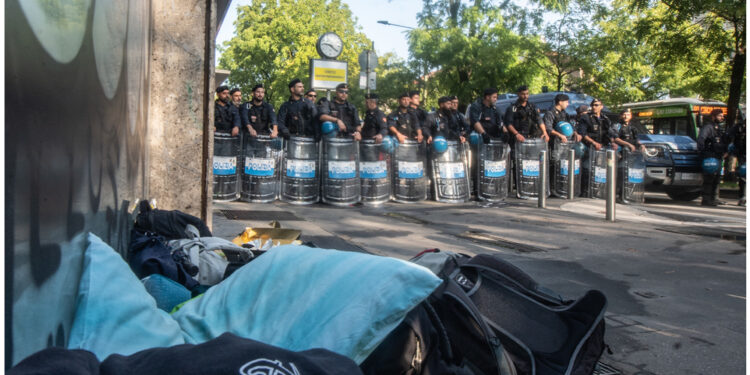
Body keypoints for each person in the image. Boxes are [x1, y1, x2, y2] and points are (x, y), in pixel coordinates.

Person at [697, 109, 729, 206]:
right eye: (719, 116)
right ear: (713, 116)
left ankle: (714, 198)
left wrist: (726, 151)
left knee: (717, 178)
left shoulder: (719, 128)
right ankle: (706, 199)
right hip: (710, 156)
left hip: (718, 156)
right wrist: (703, 153)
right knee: (709, 178)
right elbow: (701, 139)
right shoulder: (708, 127)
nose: (721, 118)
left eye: (722, 116)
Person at [727, 113, 746, 206]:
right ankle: (742, 197)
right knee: (744, 175)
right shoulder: (739, 127)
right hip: (742, 153)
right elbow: (729, 135)